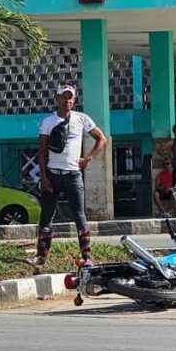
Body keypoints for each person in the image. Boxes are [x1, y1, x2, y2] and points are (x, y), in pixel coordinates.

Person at [27, 83, 107, 268]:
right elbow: (42, 152)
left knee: (79, 216)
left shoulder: (82, 119)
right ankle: (41, 257)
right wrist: (44, 178)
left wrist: (88, 158)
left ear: (75, 100)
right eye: (63, 97)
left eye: (70, 97)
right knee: (46, 217)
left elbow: (101, 138)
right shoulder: (48, 121)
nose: (67, 100)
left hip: (73, 175)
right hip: (53, 175)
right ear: (56, 99)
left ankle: (87, 257)